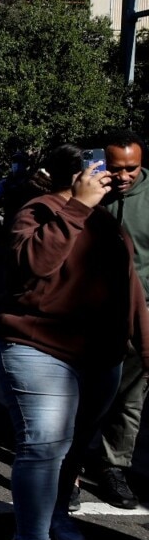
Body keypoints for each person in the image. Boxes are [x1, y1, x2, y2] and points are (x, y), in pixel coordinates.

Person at [0, 143, 149, 540]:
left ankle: (55, 513)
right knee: (44, 443)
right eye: (101, 170)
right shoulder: (37, 211)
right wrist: (77, 208)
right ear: (78, 176)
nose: (114, 178)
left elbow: (130, 290)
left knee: (73, 447)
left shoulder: (107, 223)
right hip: (37, 346)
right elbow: (33, 264)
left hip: (99, 356)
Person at [87, 130, 149, 511]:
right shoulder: (90, 190)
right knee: (81, 396)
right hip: (90, 312)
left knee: (131, 399)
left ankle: (113, 466)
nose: (123, 176)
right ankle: (70, 468)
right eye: (116, 168)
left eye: (132, 168)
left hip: (142, 313)